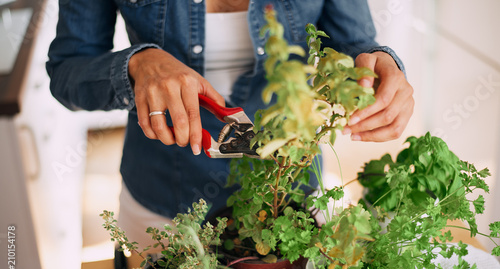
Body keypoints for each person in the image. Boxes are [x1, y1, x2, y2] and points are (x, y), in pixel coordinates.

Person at [47, 0, 413, 249]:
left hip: (292, 191)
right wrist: (137, 65)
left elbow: (354, 45)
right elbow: (68, 71)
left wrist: (380, 68)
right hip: (165, 197)